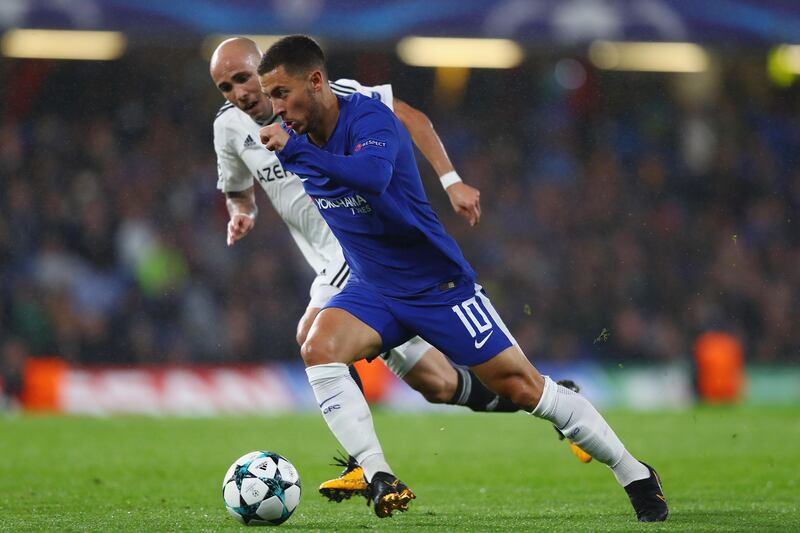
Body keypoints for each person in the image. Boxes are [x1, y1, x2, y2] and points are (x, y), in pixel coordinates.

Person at [257, 35, 668, 522]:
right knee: (318, 346)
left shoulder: (368, 119)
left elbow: (369, 177)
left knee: (524, 389)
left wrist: (449, 179)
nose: (276, 108)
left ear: (317, 81)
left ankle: (634, 473)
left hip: (438, 287)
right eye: (270, 97)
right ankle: (377, 473)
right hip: (373, 288)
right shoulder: (295, 136)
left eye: (281, 93)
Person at [209, 38, 584, 502]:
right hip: (326, 262)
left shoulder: (330, 97)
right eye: (225, 86)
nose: (239, 93)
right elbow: (237, 186)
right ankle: (551, 398)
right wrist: (240, 212)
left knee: (314, 337)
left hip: (361, 255)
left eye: (244, 78)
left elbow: (411, 118)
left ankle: (365, 467)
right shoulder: (228, 128)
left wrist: (451, 180)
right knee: (440, 386)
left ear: (264, 70)